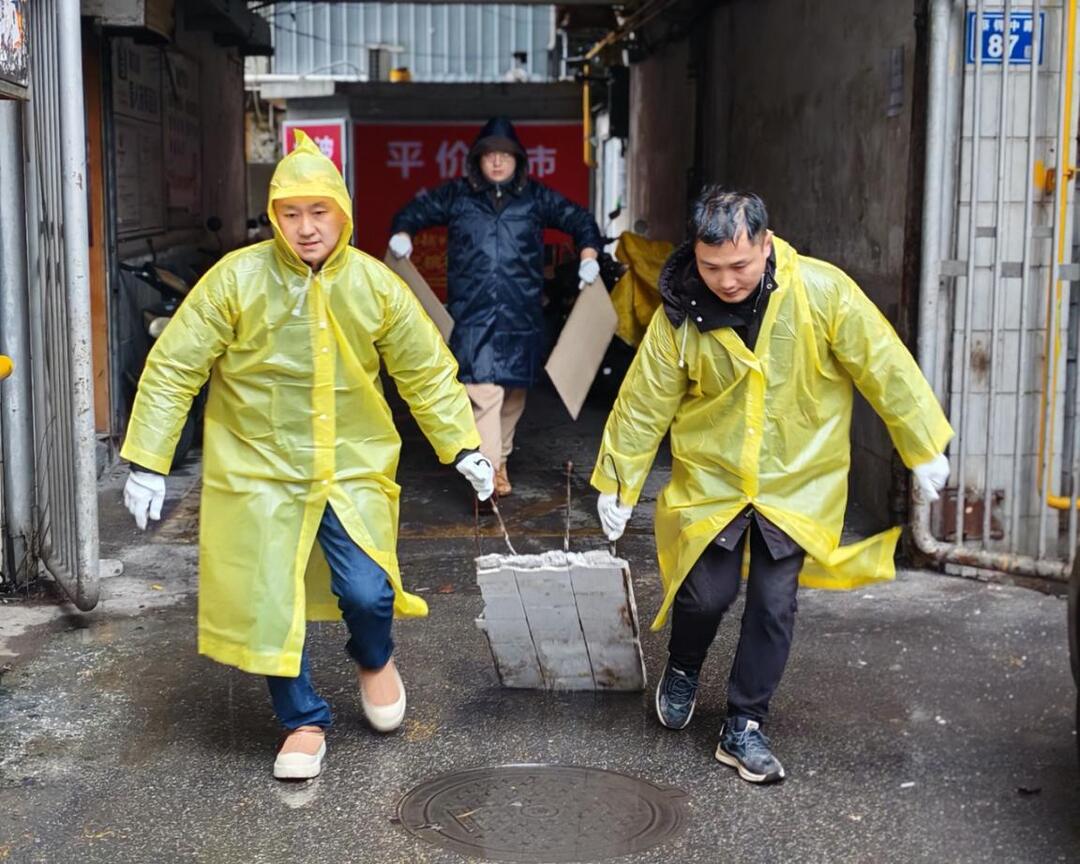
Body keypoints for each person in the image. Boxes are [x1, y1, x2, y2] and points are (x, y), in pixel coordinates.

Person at [120, 132, 494, 780]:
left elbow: (426, 370)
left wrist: (463, 445)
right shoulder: (237, 280)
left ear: (342, 213)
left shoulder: (373, 286)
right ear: (274, 216)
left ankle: (374, 658)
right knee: (269, 600)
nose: (305, 228)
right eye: (291, 213)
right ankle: (302, 721)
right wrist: (148, 459)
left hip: (350, 463)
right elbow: (175, 364)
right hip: (258, 468)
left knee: (368, 590)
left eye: (318, 212)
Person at [590, 187, 952, 784]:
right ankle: (682, 666)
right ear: (695, 255)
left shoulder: (821, 291)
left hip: (795, 478)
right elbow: (644, 400)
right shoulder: (679, 311)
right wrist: (620, 480)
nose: (726, 280)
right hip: (715, 476)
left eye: (740, 265)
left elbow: (881, 361)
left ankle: (744, 725)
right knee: (706, 593)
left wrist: (921, 443)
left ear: (766, 243)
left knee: (773, 603)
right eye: (711, 267)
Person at [389, 116, 603, 497]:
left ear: (519, 160)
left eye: (506, 156)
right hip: (473, 314)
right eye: (490, 156)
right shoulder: (457, 196)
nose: (498, 163)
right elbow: (412, 212)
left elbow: (579, 219)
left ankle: (498, 460)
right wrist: (403, 234)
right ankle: (489, 473)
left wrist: (589, 255)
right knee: (483, 391)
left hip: (521, 313)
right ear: (478, 161)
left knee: (512, 393)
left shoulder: (536, 199)